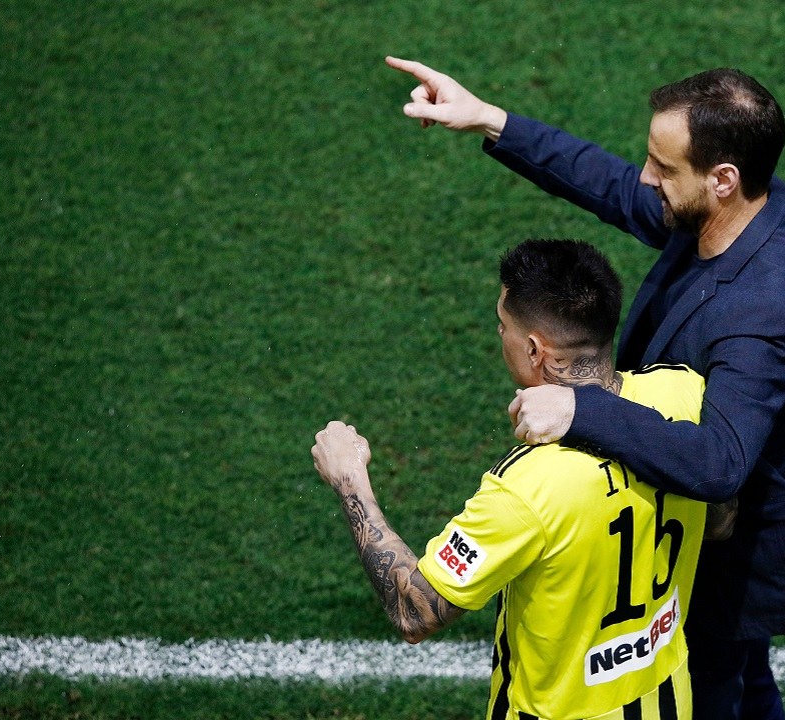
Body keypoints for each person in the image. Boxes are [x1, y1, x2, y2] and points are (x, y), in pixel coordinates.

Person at [385, 58, 785, 719]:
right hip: (692, 530)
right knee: (750, 691)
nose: (646, 177)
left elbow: (719, 461)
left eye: (664, 167)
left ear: (722, 178)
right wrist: (492, 121)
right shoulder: (751, 208)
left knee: (718, 691)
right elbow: (618, 188)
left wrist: (583, 408)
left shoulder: (763, 311)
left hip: (716, 557)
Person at [313, 239, 730, 720]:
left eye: (502, 324)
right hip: (667, 700)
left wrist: (351, 481)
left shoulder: (527, 486)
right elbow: (720, 516)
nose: (499, 333)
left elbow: (415, 611)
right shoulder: (684, 394)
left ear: (534, 349)